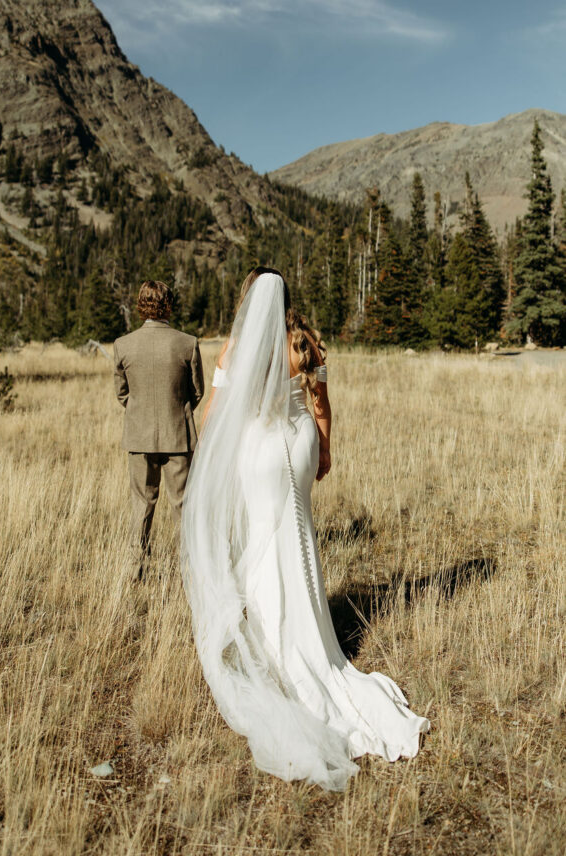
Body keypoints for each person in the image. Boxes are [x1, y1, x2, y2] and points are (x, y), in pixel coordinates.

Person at [181, 267, 429, 791]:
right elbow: (320, 402)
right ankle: (314, 638)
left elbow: (217, 412)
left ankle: (277, 650)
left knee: (265, 539)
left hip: (260, 451)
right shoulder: (303, 339)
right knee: (297, 534)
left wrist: (211, 458)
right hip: (297, 447)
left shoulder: (240, 346)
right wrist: (325, 447)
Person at [114, 280, 204, 581]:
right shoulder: (187, 342)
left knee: (141, 503)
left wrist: (142, 412)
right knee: (182, 504)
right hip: (178, 433)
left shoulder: (123, 344)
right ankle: (189, 569)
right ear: (169, 304)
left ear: (141, 305)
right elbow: (197, 391)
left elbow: (122, 394)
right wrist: (176, 410)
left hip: (139, 436)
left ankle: (135, 567)